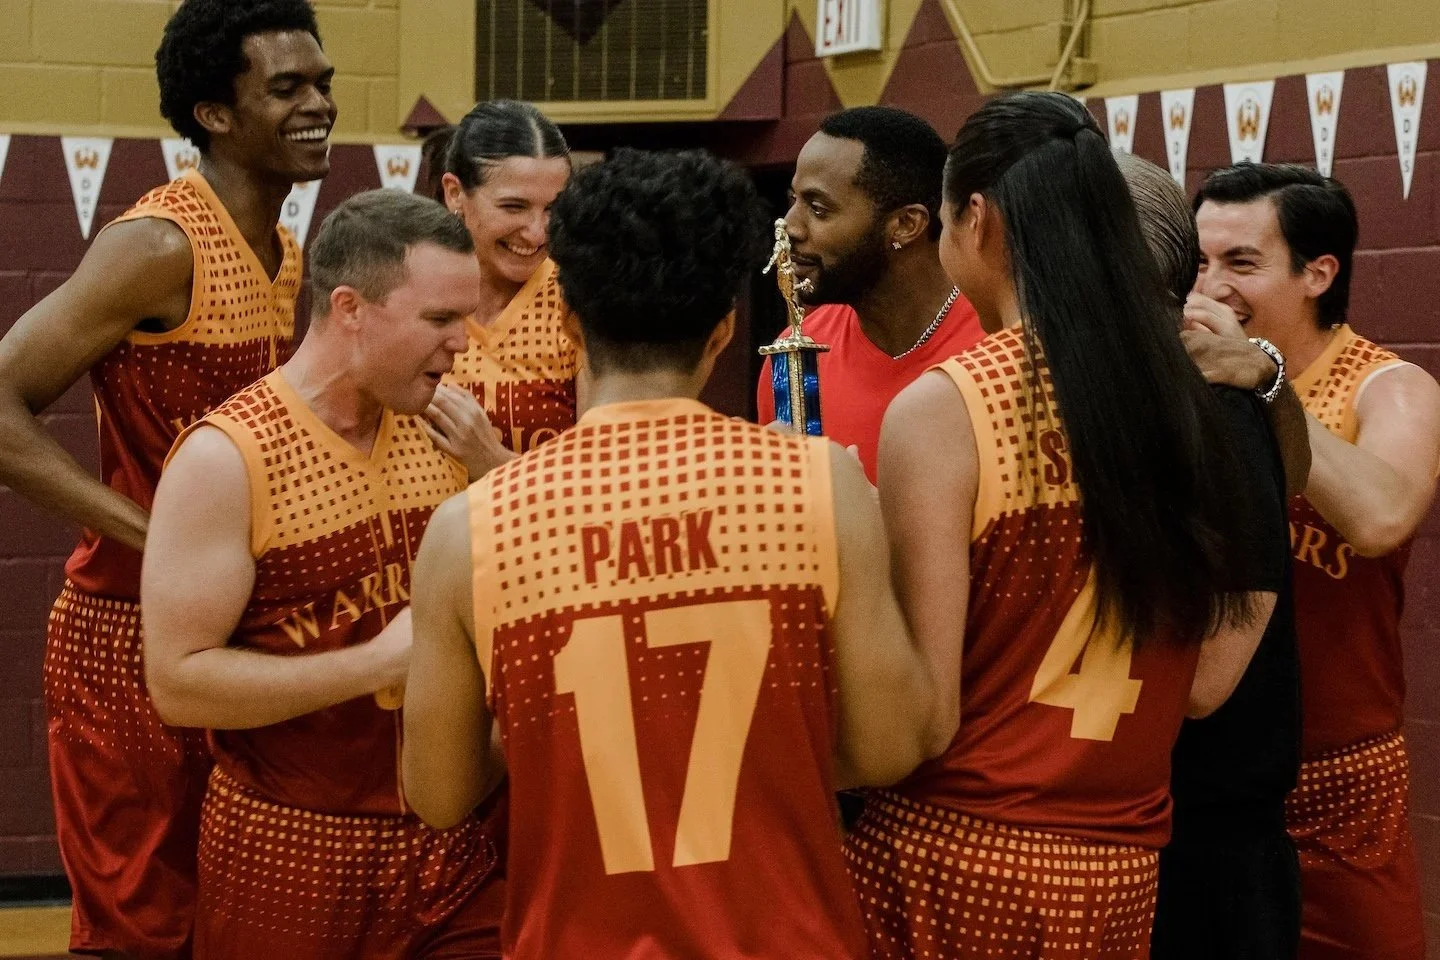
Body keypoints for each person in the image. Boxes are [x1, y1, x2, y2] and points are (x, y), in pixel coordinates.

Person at [401, 147, 945, 959]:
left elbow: (439, 795)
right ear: (725, 329)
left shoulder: (471, 528)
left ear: (570, 320)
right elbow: (890, 747)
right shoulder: (816, 486)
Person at [845, 92, 1282, 960]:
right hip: (1119, 874)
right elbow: (1201, 686)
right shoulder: (1192, 397)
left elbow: (922, 721)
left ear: (977, 220)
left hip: (958, 853)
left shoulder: (947, 405)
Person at [0, 2, 332, 954]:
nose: (318, 106)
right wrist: (158, 537)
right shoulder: (157, 245)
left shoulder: (286, 249)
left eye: (324, 85)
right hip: (126, 633)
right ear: (214, 114)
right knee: (139, 932)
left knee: (230, 921)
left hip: (232, 634)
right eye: (287, 88)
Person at [141, 190, 504, 959]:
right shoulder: (225, 458)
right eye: (439, 320)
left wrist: (498, 471)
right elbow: (177, 683)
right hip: (292, 845)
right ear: (350, 308)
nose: (462, 345)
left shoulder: (451, 426)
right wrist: (372, 664)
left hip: (453, 846)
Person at [1189, 162, 1440, 960]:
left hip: (1338, 768)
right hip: (1208, 762)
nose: (1211, 285)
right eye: (1200, 261)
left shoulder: (1390, 388)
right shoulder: (1190, 380)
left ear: (1317, 273)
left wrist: (1267, 387)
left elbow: (1378, 517)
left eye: (1241, 263)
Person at [1115, 152, 1301, 960]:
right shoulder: (1132, 396)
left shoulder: (1220, 400)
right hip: (1136, 824)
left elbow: (1203, 686)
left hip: (1209, 837)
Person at [756, 106, 983, 479]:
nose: (790, 226)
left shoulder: (995, 343)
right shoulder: (793, 364)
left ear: (905, 225)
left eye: (817, 208)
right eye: (793, 201)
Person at [423, 99, 579, 472]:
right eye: (514, 207)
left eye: (552, 209)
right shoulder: (407, 293)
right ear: (455, 194)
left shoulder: (580, 300)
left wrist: (492, 461)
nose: (537, 232)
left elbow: (601, 481)